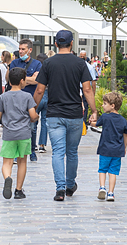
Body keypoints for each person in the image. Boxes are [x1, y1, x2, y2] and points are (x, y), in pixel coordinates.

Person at [33, 30, 96, 201]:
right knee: (72, 152)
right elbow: (88, 89)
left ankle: (60, 189)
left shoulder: (48, 63)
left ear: (55, 44)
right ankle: (70, 185)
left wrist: (33, 109)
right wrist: (95, 110)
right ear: (72, 43)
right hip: (75, 113)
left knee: (58, 152)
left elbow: (39, 89)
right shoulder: (80, 63)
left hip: (54, 114)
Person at [0, 67, 38, 199]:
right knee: (22, 162)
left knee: (7, 162)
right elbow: (32, 115)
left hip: (9, 134)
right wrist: (36, 117)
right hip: (24, 133)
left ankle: (7, 178)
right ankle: (18, 190)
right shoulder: (27, 96)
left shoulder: (3, 97)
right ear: (23, 81)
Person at [8, 39, 43, 161]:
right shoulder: (14, 63)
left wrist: (21, 80)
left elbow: (36, 80)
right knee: (17, 126)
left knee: (32, 127)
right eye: (20, 49)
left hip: (31, 99)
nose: (21, 51)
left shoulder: (37, 64)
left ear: (30, 50)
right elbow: (11, 80)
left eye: (23, 49)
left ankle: (32, 150)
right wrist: (28, 79)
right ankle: (18, 153)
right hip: (15, 100)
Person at [95, 91, 127, 202]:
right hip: (117, 150)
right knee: (113, 171)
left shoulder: (105, 117)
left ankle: (102, 187)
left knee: (102, 169)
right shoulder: (123, 120)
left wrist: (91, 122)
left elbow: (95, 124)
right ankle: (111, 193)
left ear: (112, 106)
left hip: (105, 148)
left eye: (105, 103)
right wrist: (124, 147)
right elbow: (125, 134)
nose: (103, 106)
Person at [33, 53, 49, 154]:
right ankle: (42, 145)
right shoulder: (49, 71)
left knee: (34, 120)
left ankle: (33, 144)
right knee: (44, 122)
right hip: (47, 96)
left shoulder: (36, 70)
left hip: (37, 96)